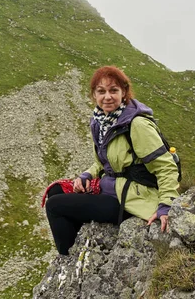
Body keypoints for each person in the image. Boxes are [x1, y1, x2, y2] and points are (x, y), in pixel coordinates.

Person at [44, 66, 180, 255]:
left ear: (124, 93)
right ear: (94, 95)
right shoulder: (101, 122)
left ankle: (69, 261)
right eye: (101, 91)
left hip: (131, 197)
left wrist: (166, 205)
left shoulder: (136, 124)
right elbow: (102, 162)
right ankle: (82, 247)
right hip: (111, 188)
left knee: (55, 207)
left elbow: (166, 166)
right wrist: (87, 175)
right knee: (57, 191)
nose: (107, 97)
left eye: (113, 90)